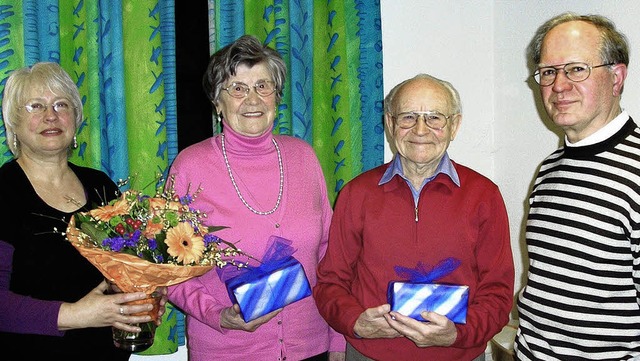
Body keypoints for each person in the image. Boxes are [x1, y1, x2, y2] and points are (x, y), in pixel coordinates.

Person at [166, 34, 345, 360]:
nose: (252, 99)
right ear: (217, 102)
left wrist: (337, 341)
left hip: (310, 347)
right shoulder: (190, 167)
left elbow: (330, 257)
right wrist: (218, 315)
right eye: (237, 88)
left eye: (263, 86)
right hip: (227, 350)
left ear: (277, 97)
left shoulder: (304, 157)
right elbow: (168, 270)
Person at [313, 73, 515, 361]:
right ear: (390, 123)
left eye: (434, 117)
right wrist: (355, 322)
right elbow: (330, 281)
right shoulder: (356, 194)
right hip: (372, 355)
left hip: (458, 356)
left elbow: (498, 291)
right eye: (408, 117)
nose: (420, 130)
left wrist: (459, 334)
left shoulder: (484, 196)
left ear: (454, 125)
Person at [0, 62, 167, 360]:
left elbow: (127, 270)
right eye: (35, 106)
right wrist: (77, 314)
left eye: (60, 104)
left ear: (75, 118)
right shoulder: (3, 192)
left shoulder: (101, 186)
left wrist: (144, 296)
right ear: (12, 122)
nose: (50, 115)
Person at [515, 13, 640, 360]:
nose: (558, 85)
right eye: (549, 72)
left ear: (616, 77)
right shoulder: (550, 168)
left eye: (576, 69)